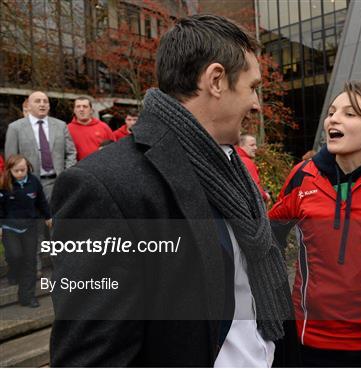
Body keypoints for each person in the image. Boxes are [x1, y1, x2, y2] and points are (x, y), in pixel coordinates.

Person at [49, 14, 294, 367]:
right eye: (253, 87)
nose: (257, 104)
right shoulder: (103, 187)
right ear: (216, 80)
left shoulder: (233, 171)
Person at [269, 81, 361, 367]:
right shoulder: (302, 176)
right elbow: (265, 240)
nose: (334, 119)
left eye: (350, 114)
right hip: (307, 339)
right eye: (331, 112)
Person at [4, 91, 77, 200]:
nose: (42, 104)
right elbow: (11, 159)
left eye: (45, 102)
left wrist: (66, 173)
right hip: (29, 183)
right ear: (29, 106)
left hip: (58, 182)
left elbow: (71, 152)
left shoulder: (61, 126)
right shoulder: (15, 128)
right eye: (38, 101)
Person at [0, 155, 51, 308]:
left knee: (30, 261)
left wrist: (48, 216)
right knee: (15, 255)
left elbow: (41, 200)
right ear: (10, 171)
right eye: (17, 171)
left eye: (23, 170)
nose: (21, 173)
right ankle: (13, 271)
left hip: (30, 226)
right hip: (10, 227)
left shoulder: (33, 182)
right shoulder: (4, 184)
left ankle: (28, 296)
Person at [237, 134, 270, 202]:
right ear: (241, 146)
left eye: (255, 145)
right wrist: (265, 196)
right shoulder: (247, 162)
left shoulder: (234, 159)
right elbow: (255, 188)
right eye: (252, 145)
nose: (255, 148)